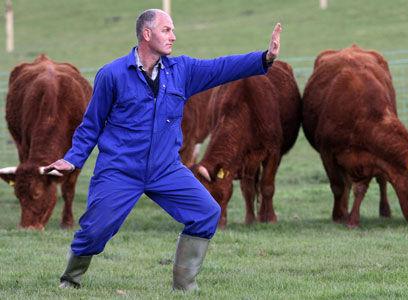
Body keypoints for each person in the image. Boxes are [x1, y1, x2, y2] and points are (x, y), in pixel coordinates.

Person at [44, 8, 281, 291]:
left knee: (206, 212)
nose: (173, 36)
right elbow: (91, 124)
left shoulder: (182, 70)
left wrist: (263, 58)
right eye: (166, 30)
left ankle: (184, 286)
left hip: (165, 168)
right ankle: (70, 280)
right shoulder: (112, 74)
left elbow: (221, 67)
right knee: (95, 231)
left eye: (173, 30)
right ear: (147, 34)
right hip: (119, 170)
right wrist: (72, 159)